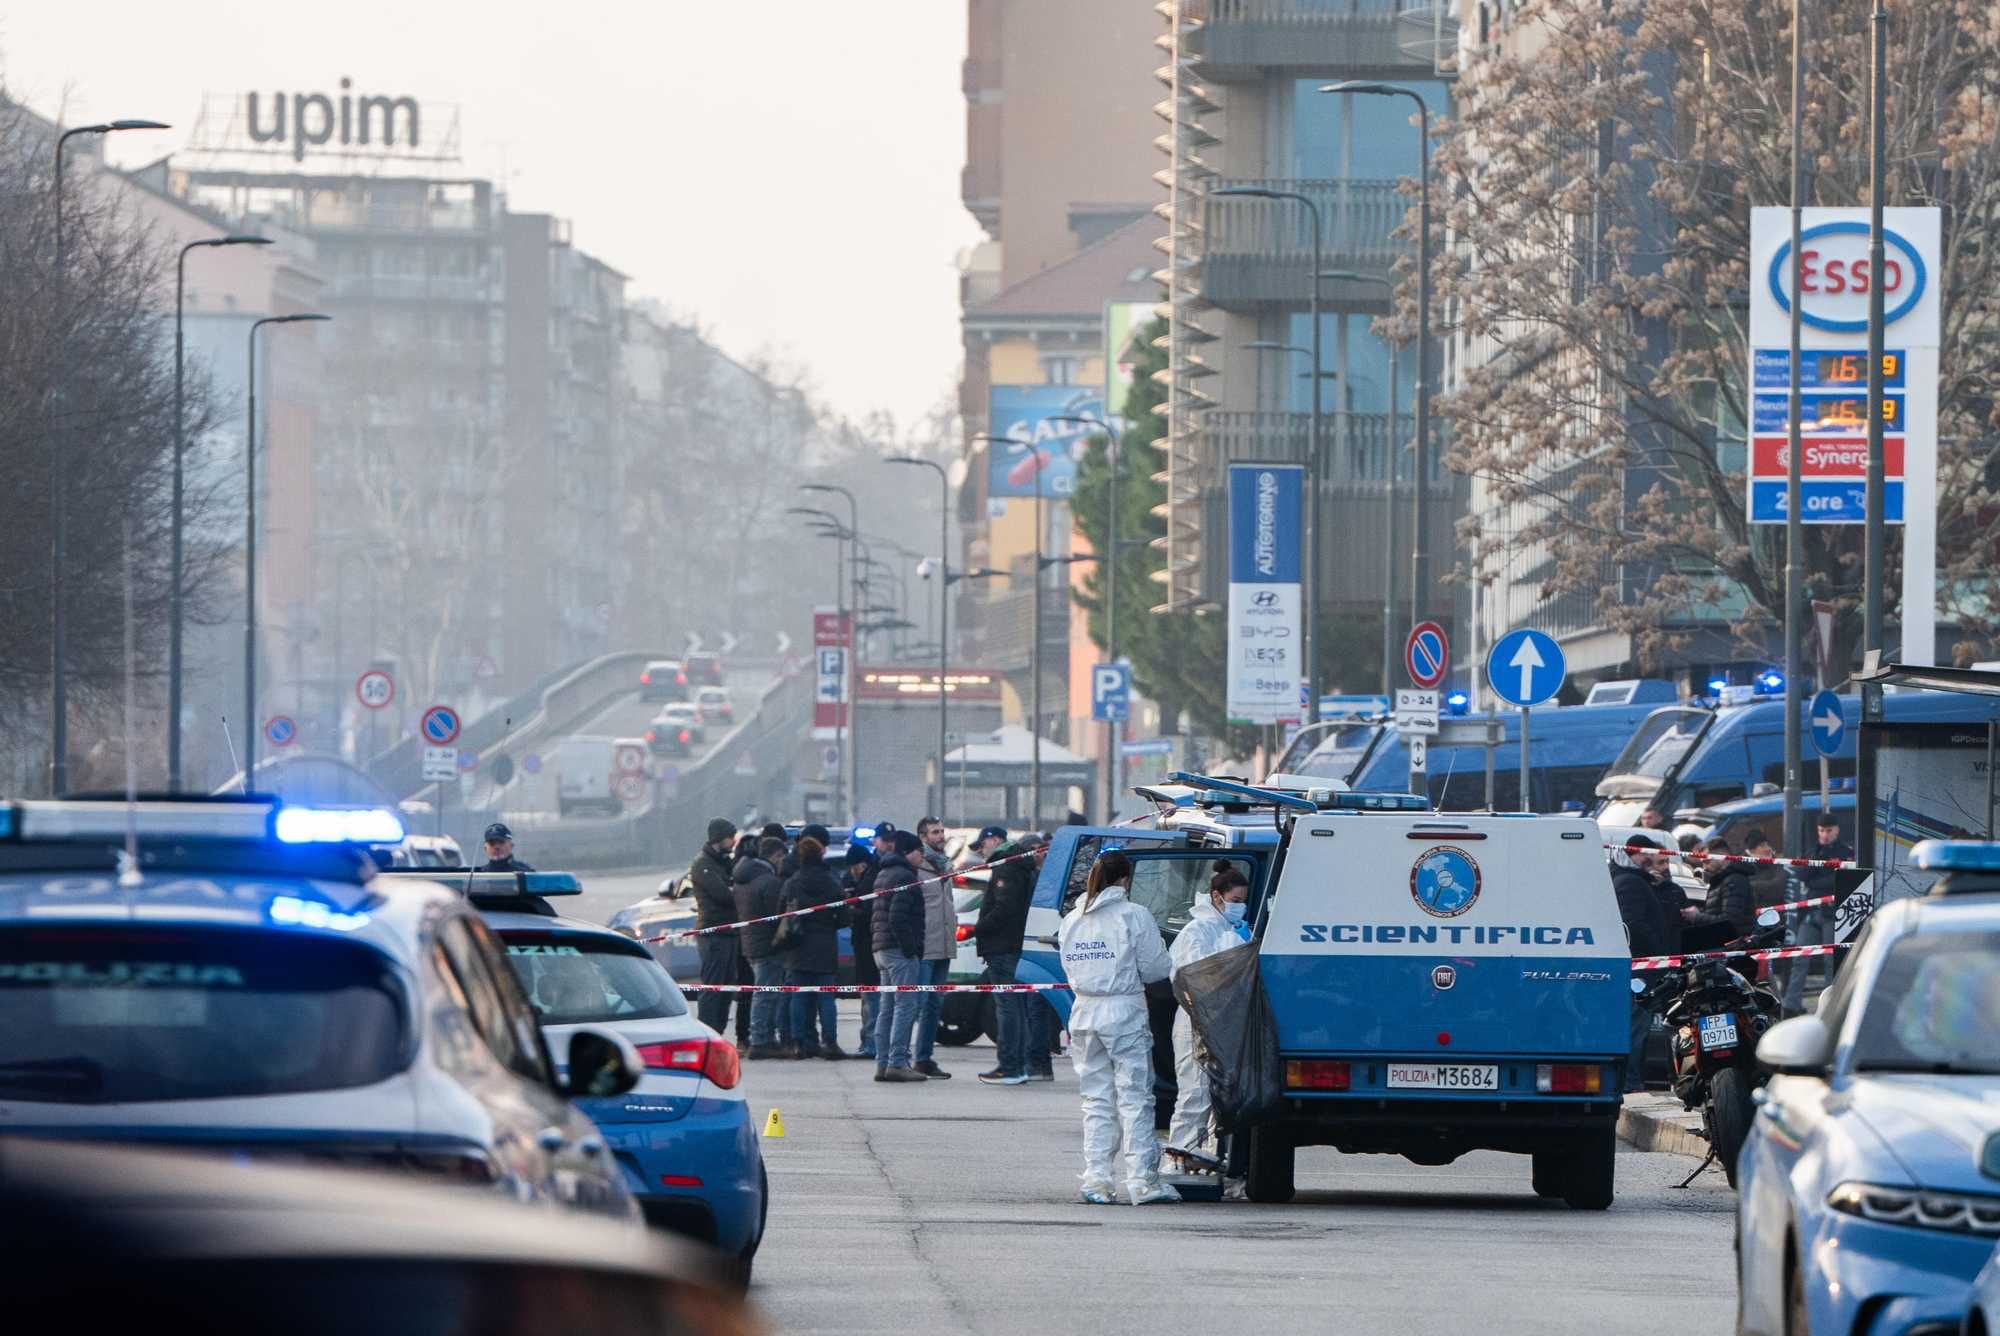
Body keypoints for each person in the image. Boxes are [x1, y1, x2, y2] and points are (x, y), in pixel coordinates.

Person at [1059, 849, 1177, 1206]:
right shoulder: (1134, 915)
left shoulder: (1073, 919)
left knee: (1096, 1098)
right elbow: (1156, 968)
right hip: (1123, 1010)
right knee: (1135, 1098)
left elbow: (1067, 965)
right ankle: (1142, 1180)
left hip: (1083, 1011)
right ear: (1126, 879)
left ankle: (1097, 1179)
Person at [1164, 861, 1250, 1167]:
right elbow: (1198, 977)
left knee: (1217, 1098)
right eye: (1235, 901)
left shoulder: (1225, 929)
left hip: (1218, 1023)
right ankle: (1177, 1159)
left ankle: (1207, 1160)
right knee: (1194, 1093)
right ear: (1217, 896)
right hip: (1194, 1020)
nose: (1240, 907)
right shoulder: (1196, 931)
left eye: (1242, 902)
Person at [975, 832, 1049, 1086]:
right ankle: (1019, 1065)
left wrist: (980, 928)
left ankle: (1010, 1067)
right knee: (1017, 1009)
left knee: (1007, 1009)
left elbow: (1003, 909)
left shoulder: (1006, 869)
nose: (982, 853)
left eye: (982, 847)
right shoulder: (1024, 869)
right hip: (1015, 946)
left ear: (996, 844)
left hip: (1001, 947)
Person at [1612, 834, 1674, 1095]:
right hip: (1642, 966)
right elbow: (1633, 924)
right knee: (1636, 1023)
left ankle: (1631, 1080)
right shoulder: (1629, 883)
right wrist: (1658, 952)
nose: (1649, 860)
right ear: (1631, 855)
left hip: (1643, 964)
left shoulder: (1636, 880)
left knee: (1637, 1022)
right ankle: (1630, 1082)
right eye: (1644, 854)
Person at [779, 832, 847, 1059]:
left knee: (798, 997)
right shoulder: (831, 881)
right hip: (825, 946)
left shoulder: (792, 882)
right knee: (826, 998)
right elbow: (845, 916)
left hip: (797, 946)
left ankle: (799, 1043)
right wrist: (831, 924)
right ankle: (830, 1042)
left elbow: (781, 912)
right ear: (820, 854)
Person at [870, 829, 930, 1082]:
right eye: (919, 851)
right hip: (898, 951)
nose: (922, 856)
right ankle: (897, 1062)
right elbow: (897, 916)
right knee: (906, 1007)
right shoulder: (905, 876)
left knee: (886, 1008)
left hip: (881, 948)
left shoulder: (884, 873)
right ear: (908, 852)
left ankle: (882, 1063)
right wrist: (910, 948)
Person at [689, 818, 750, 1047]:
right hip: (714, 933)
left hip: (729, 933)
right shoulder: (704, 864)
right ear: (718, 838)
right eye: (729, 837)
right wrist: (735, 889)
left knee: (727, 986)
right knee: (713, 986)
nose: (733, 841)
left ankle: (718, 1034)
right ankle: (706, 1034)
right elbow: (723, 895)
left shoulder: (722, 862)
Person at [1784, 812, 1852, 1016]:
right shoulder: (1813, 850)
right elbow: (1802, 874)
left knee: (1831, 961)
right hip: (1812, 913)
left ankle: (1831, 1006)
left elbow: (1839, 879)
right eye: (1821, 830)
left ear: (1837, 830)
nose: (1825, 835)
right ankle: (1790, 1006)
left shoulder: (1845, 852)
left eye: (1829, 830)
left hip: (1832, 913)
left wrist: (1817, 880)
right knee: (1800, 959)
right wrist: (1820, 877)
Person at [734, 836, 792, 1059]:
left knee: (763, 991)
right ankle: (761, 1039)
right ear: (776, 855)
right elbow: (776, 915)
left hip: (750, 942)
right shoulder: (768, 881)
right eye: (781, 858)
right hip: (768, 944)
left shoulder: (743, 878)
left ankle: (763, 1037)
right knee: (766, 993)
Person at [910, 816, 956, 1079]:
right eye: (935, 832)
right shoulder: (918, 868)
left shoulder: (945, 865)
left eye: (941, 831)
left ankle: (924, 1058)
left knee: (934, 1006)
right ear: (923, 837)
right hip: (925, 946)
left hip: (944, 946)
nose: (941, 836)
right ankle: (900, 1058)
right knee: (916, 1004)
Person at [844, 834, 883, 1060]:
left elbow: (866, 912)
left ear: (861, 864)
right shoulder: (867, 879)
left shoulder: (869, 880)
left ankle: (871, 1043)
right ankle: (870, 1041)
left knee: (871, 996)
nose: (852, 872)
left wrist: (850, 909)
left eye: (853, 867)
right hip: (867, 945)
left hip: (867, 946)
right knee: (871, 995)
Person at [1683, 835, 1755, 945]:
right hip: (1725, 943)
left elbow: (1730, 920)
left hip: (1733, 946)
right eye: (1702, 863)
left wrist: (1697, 917)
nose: (1704, 867)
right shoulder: (1722, 880)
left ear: (1722, 856)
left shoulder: (1734, 880)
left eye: (1707, 861)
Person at [1741, 829, 1790, 909]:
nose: (1768, 848)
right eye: (1762, 845)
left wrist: (1752, 886)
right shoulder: (1741, 866)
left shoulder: (1776, 863)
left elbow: (1777, 888)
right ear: (1751, 849)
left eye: (1768, 845)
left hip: (1775, 916)